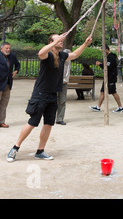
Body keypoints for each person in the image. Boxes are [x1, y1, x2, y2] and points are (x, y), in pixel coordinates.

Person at [6, 33, 92, 162]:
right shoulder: (47, 55)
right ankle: (15, 148)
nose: (61, 40)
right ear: (51, 42)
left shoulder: (62, 55)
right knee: (33, 123)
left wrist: (85, 43)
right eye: (58, 39)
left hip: (53, 94)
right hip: (40, 94)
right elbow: (41, 53)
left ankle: (40, 151)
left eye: (60, 38)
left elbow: (74, 55)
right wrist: (54, 42)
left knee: (48, 124)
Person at [89, 45, 123, 113]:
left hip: (111, 78)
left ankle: (120, 107)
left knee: (113, 92)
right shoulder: (108, 57)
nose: (103, 53)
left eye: (103, 51)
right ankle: (98, 107)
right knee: (102, 91)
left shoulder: (111, 57)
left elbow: (108, 67)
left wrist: (100, 64)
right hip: (107, 77)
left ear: (107, 50)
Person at [55, 49, 71, 125]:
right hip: (56, 82)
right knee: (53, 100)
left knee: (62, 100)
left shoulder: (68, 63)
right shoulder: (58, 61)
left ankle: (60, 118)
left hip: (64, 83)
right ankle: (51, 116)